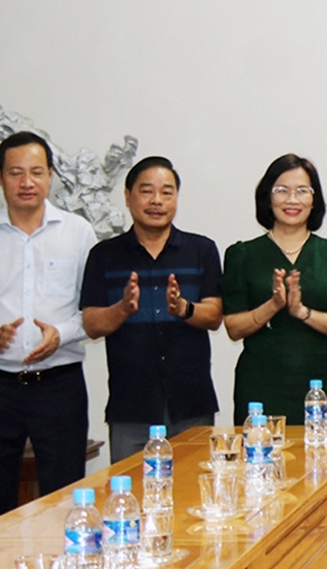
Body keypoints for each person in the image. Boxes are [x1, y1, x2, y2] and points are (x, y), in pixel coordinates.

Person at [0, 131, 96, 524]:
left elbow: (91, 310)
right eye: (16, 172)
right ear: (0, 176)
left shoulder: (79, 233)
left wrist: (62, 333)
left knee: (66, 496)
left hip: (60, 384)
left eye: (37, 172)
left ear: (51, 175)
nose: (27, 182)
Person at [80, 157, 224, 462]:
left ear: (176, 198)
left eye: (167, 192)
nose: (157, 201)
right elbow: (92, 323)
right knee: (130, 497)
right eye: (147, 191)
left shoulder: (201, 250)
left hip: (191, 403)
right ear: (128, 195)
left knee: (194, 495)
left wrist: (184, 308)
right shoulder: (104, 255)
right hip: (131, 406)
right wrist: (121, 309)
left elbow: (214, 315)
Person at [221, 154, 327, 425]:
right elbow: (233, 328)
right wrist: (273, 306)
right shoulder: (242, 254)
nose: (292, 200)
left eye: (302, 191)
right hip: (259, 383)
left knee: (320, 460)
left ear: (314, 199)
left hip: (317, 382)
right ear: (267, 197)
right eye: (282, 191)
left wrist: (301, 311)